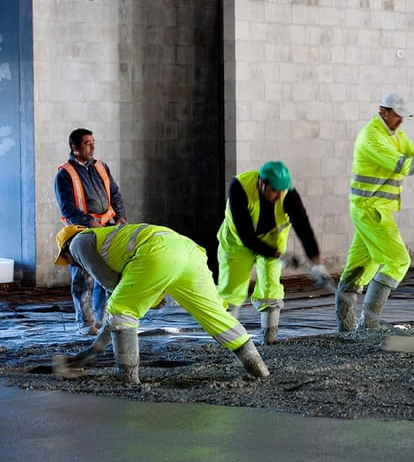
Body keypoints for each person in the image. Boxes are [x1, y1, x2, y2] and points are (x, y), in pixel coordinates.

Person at [51, 223, 269, 384]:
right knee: (215, 316)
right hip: (190, 252)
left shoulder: (79, 242)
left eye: (67, 259)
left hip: (158, 252)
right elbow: (127, 288)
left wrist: (90, 352)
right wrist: (149, 296)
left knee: (121, 310)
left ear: (67, 247)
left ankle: (127, 378)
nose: (72, 264)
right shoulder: (110, 239)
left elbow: (111, 285)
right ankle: (260, 370)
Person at [334, 92, 414, 332]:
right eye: (397, 115)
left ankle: (346, 330)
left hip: (372, 210)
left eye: (404, 116)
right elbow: (403, 165)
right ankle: (370, 325)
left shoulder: (394, 135)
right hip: (370, 209)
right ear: (383, 112)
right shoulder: (372, 137)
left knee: (358, 270)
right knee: (398, 261)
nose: (401, 120)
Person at [216, 161, 332, 345]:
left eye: (282, 191)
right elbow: (247, 236)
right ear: (262, 184)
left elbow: (304, 228)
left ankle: (269, 341)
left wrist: (318, 264)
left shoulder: (288, 194)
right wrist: (279, 255)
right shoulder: (240, 187)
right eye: (275, 190)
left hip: (272, 240)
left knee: (271, 288)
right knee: (231, 290)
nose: (279, 195)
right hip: (237, 243)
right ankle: (228, 341)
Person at [54, 128, 128, 335]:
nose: (92, 146)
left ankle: (103, 320)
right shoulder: (65, 174)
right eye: (87, 143)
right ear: (74, 148)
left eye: (93, 142)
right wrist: (90, 222)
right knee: (83, 278)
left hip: (107, 229)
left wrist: (121, 216)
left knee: (107, 276)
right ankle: (86, 324)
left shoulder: (101, 167)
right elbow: (67, 208)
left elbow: (115, 194)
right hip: (81, 233)